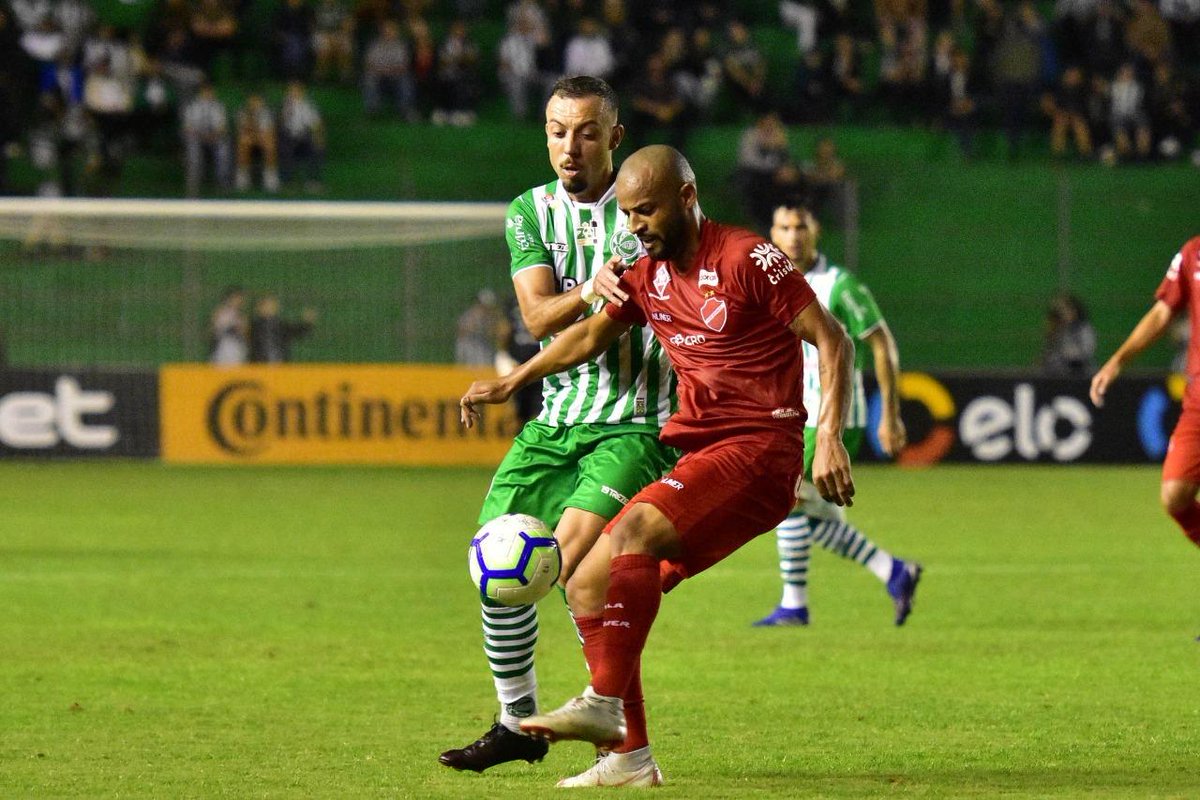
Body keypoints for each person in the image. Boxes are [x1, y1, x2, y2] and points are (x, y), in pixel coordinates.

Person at [460, 145, 856, 786]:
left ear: (687, 199)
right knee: (588, 580)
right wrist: (517, 381)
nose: (635, 224)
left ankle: (603, 703)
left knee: (633, 530)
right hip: (705, 452)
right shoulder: (646, 274)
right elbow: (587, 336)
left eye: (646, 211)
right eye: (627, 213)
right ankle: (628, 757)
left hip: (760, 449)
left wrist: (829, 434)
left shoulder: (746, 257)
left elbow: (832, 337)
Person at [437, 76, 677, 777]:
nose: (569, 146)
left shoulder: (647, 206)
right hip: (556, 421)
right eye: (556, 130)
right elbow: (540, 318)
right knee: (494, 567)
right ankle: (518, 721)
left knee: (567, 567)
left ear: (615, 136)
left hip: (634, 424)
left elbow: (632, 322)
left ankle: (620, 740)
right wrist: (591, 286)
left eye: (586, 131)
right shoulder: (528, 212)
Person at [753, 200, 922, 627]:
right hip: (796, 416)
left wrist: (891, 413)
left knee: (784, 500)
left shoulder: (840, 286)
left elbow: (882, 343)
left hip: (833, 418)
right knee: (810, 515)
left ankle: (794, 604)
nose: (793, 235)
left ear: (816, 231)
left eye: (801, 226)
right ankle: (894, 571)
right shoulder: (768, 283)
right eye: (785, 226)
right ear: (772, 233)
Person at [1090, 237, 1200, 556]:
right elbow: (1162, 313)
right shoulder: (1192, 253)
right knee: (1175, 494)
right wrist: (1118, 360)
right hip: (1198, 403)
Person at [249, 293, 316, 363]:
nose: (270, 308)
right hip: (260, 366)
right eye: (267, 305)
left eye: (272, 306)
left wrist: (308, 323)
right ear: (259, 308)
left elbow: (297, 330)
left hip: (280, 365)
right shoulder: (254, 326)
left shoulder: (280, 325)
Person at [1041, 291, 1096, 375]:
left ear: (1074, 310)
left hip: (1080, 372)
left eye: (1066, 310)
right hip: (1057, 373)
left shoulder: (1084, 328)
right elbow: (1049, 356)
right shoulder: (1059, 329)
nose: (1064, 313)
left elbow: (1085, 352)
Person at [454, 288, 504, 366]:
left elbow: (494, 334)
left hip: (483, 347)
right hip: (469, 346)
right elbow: (461, 332)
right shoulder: (470, 315)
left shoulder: (490, 318)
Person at [209, 285, 249, 365]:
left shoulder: (241, 316)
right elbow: (214, 330)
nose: (239, 301)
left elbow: (245, 332)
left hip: (238, 348)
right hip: (224, 348)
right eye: (236, 298)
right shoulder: (221, 312)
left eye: (240, 299)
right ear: (229, 299)